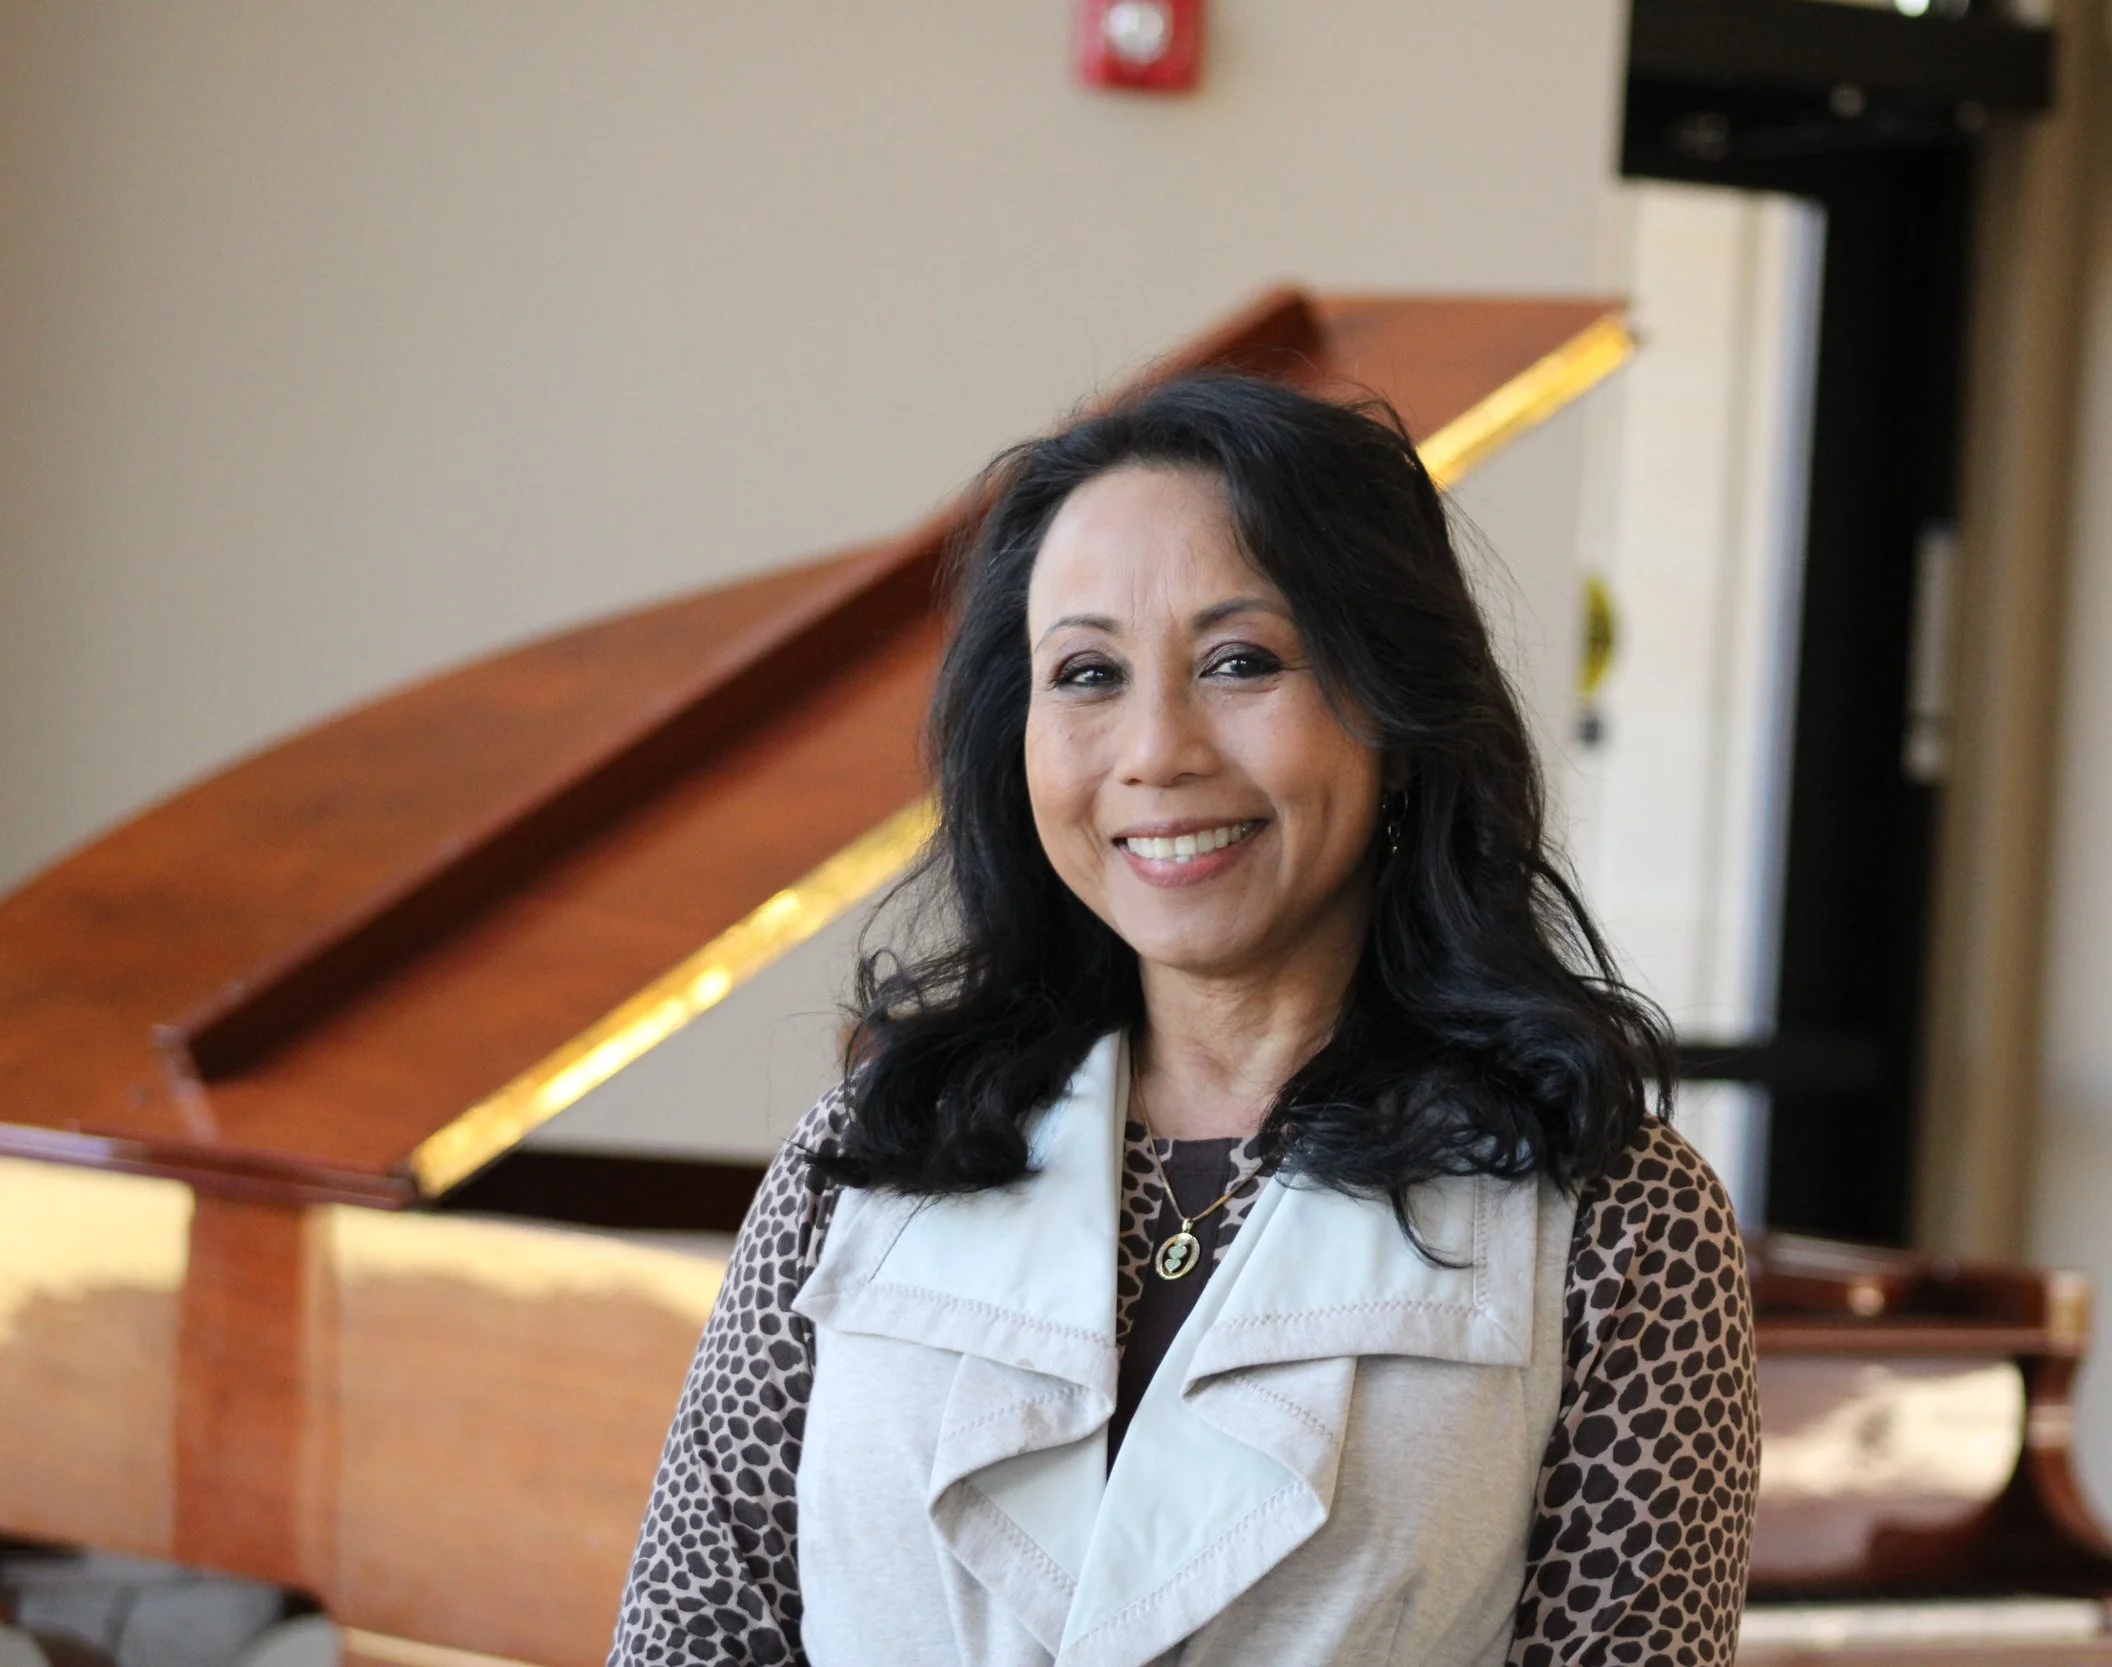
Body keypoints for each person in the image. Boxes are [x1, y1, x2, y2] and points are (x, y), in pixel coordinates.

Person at [608, 377, 1758, 1667]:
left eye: (1241, 662)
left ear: (1395, 703)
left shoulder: (1614, 1216)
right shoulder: (876, 1151)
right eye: (1087, 673)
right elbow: (694, 1631)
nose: (1155, 750)